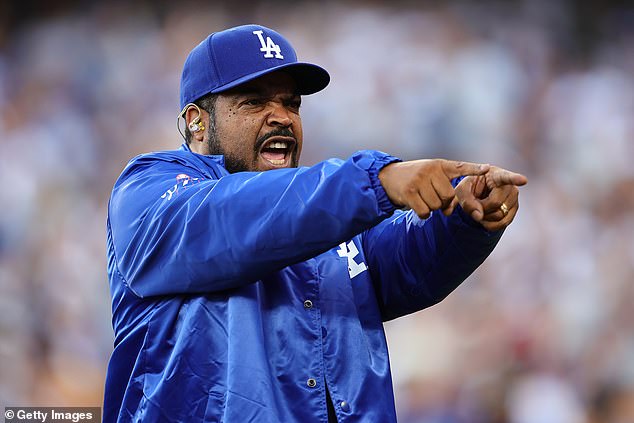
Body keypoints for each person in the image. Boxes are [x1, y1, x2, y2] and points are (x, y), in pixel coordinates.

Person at [103, 24, 527, 422]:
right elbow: (229, 219)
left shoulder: (324, 217)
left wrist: (463, 220)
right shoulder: (147, 191)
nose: (282, 116)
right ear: (196, 121)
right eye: (254, 102)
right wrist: (374, 179)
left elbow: (400, 263)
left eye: (291, 103)